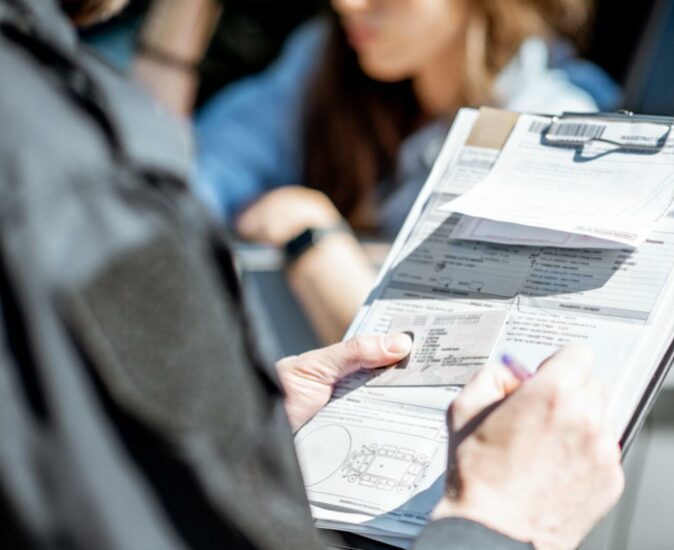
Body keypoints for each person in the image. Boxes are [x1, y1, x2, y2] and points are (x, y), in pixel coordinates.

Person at [0, 0, 624, 550]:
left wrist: (317, 248)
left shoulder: (572, 125)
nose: (349, 2)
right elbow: (169, 190)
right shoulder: (317, 66)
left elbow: (472, 369)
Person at [137, 0, 620, 342]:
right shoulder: (324, 64)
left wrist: (311, 238)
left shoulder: (560, 132)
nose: (346, 4)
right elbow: (159, 193)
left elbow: (445, 372)